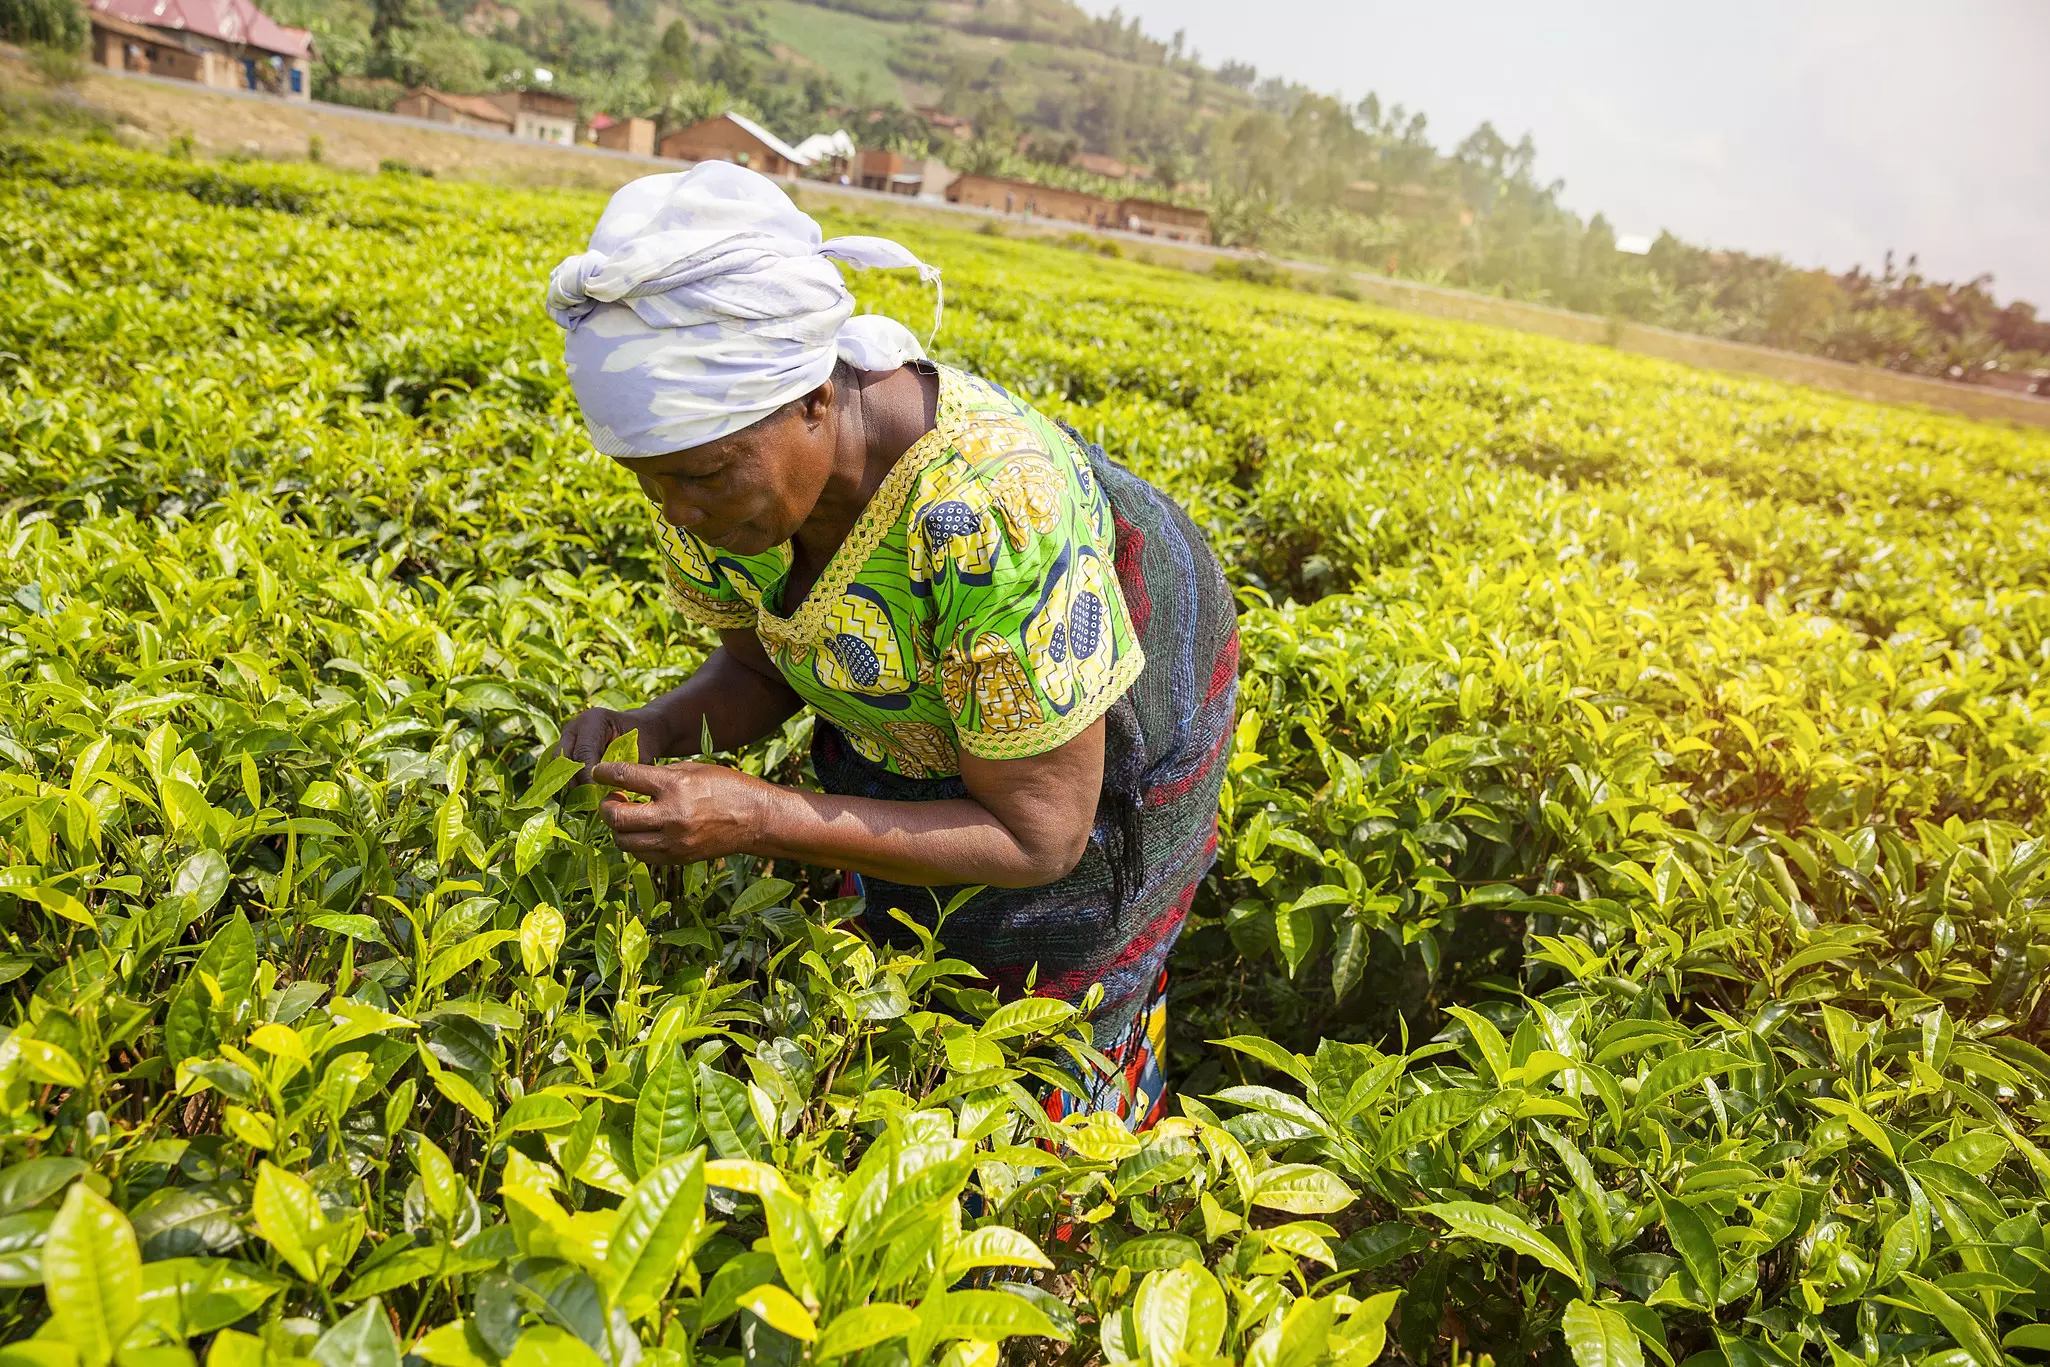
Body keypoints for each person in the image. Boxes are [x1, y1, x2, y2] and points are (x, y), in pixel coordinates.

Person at [547, 163, 1237, 1131]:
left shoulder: (984, 511)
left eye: (700, 474)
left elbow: (1041, 835)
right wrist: (652, 726)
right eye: (647, 481)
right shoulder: (702, 491)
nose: (678, 511)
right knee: (894, 938)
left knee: (1047, 994)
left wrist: (761, 815)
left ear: (815, 402)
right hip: (950, 700)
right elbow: (761, 664)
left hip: (1113, 712)